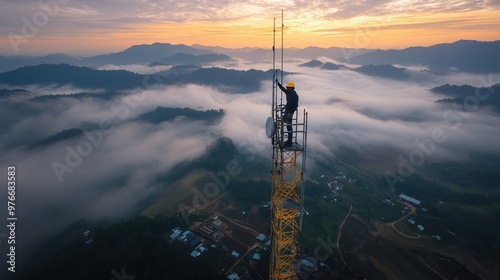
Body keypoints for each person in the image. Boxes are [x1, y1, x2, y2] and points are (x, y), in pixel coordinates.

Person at [276, 80, 299, 146]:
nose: (287, 88)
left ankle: (289, 141)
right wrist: (278, 84)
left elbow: (295, 105)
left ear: (292, 88)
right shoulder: (289, 92)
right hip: (287, 111)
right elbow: (283, 89)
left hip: (290, 112)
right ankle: (289, 140)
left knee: (289, 126)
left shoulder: (294, 95)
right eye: (287, 87)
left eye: (289, 87)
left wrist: (289, 112)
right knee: (287, 125)